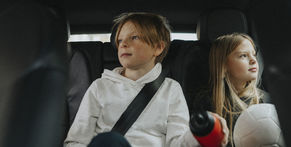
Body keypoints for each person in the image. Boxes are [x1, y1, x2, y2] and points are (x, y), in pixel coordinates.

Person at [64, 12, 228, 147]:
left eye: (134, 37)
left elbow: (177, 142)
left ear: (158, 47)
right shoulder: (100, 87)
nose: (123, 44)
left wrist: (200, 133)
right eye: (120, 40)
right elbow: (77, 140)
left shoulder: (171, 89)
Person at [194, 33, 270, 146]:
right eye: (243, 55)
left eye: (254, 55)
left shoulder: (265, 100)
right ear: (224, 66)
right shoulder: (207, 102)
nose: (254, 60)